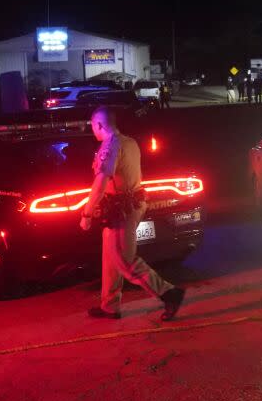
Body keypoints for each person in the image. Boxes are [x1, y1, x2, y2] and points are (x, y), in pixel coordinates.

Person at [79, 107, 185, 320]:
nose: (92, 131)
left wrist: (87, 213)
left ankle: (169, 293)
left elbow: (100, 183)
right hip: (131, 204)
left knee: (125, 260)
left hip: (122, 209)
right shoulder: (130, 142)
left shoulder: (111, 146)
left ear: (99, 125)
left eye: (92, 126)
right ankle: (109, 306)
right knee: (111, 257)